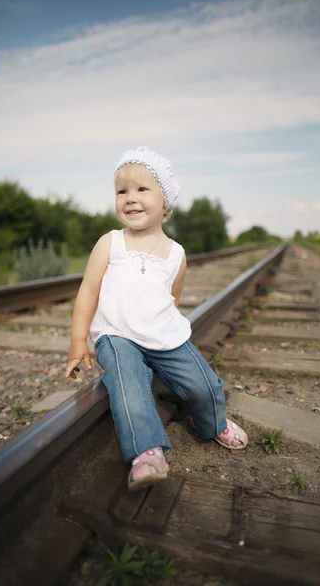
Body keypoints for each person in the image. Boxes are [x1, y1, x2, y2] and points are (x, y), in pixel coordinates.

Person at [65, 146, 248, 491]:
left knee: (205, 386)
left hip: (163, 336)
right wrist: (78, 340)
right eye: (122, 191)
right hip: (116, 335)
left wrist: (163, 335)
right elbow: (88, 290)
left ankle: (215, 423)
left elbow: (172, 299)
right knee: (128, 381)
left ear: (166, 201)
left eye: (142, 189)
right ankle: (147, 451)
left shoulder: (177, 254)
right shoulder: (110, 243)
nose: (130, 199)